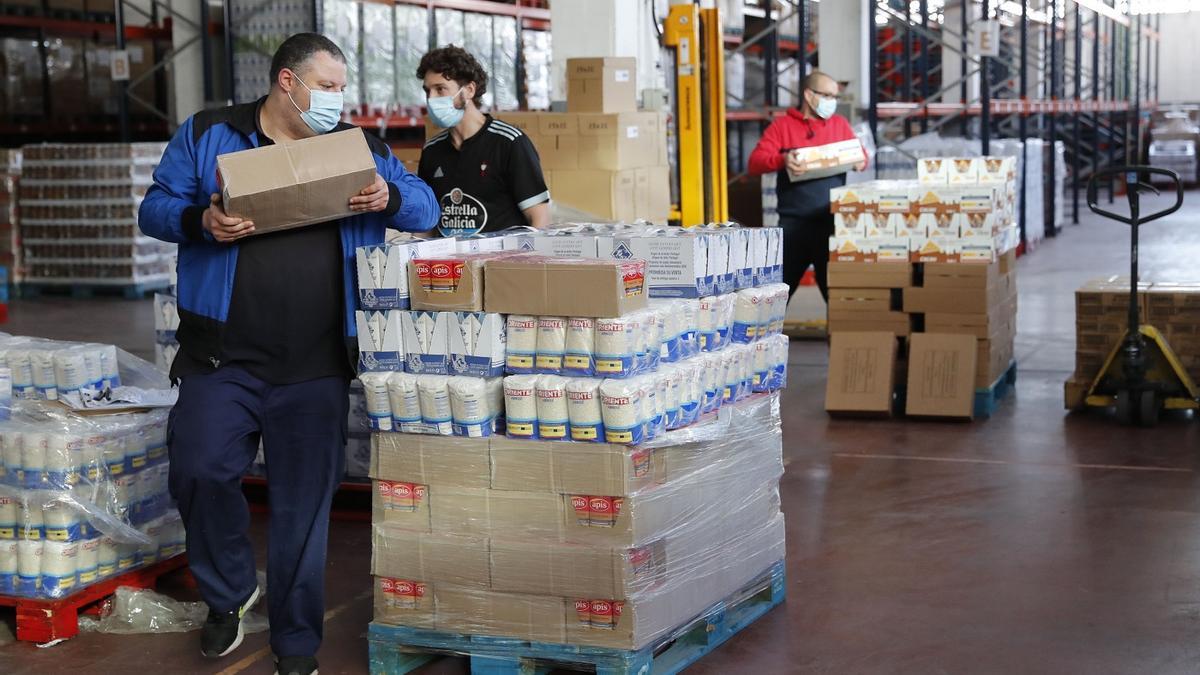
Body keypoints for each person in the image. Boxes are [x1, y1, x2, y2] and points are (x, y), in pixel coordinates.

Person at [138, 33, 438, 675]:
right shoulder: (209, 134)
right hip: (224, 357)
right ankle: (229, 591)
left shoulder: (358, 149)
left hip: (317, 363)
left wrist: (389, 198)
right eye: (326, 86)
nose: (336, 99)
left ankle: (297, 647)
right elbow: (155, 207)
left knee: (305, 507)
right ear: (286, 83)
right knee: (198, 469)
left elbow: (425, 209)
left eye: (340, 88)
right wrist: (201, 221)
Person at [748, 71, 868, 301]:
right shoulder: (782, 127)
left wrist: (861, 159)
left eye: (835, 97)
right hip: (794, 226)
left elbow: (861, 156)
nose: (832, 102)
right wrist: (782, 159)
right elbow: (755, 163)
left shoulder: (839, 125)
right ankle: (768, 335)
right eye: (827, 95)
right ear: (809, 95)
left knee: (836, 296)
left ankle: (842, 338)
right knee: (777, 294)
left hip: (830, 224)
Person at [417, 45, 550, 236]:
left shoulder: (509, 143)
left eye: (440, 89)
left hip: (500, 263)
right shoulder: (432, 150)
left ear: (469, 90)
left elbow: (539, 218)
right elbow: (426, 223)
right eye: (427, 91)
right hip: (449, 265)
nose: (431, 99)